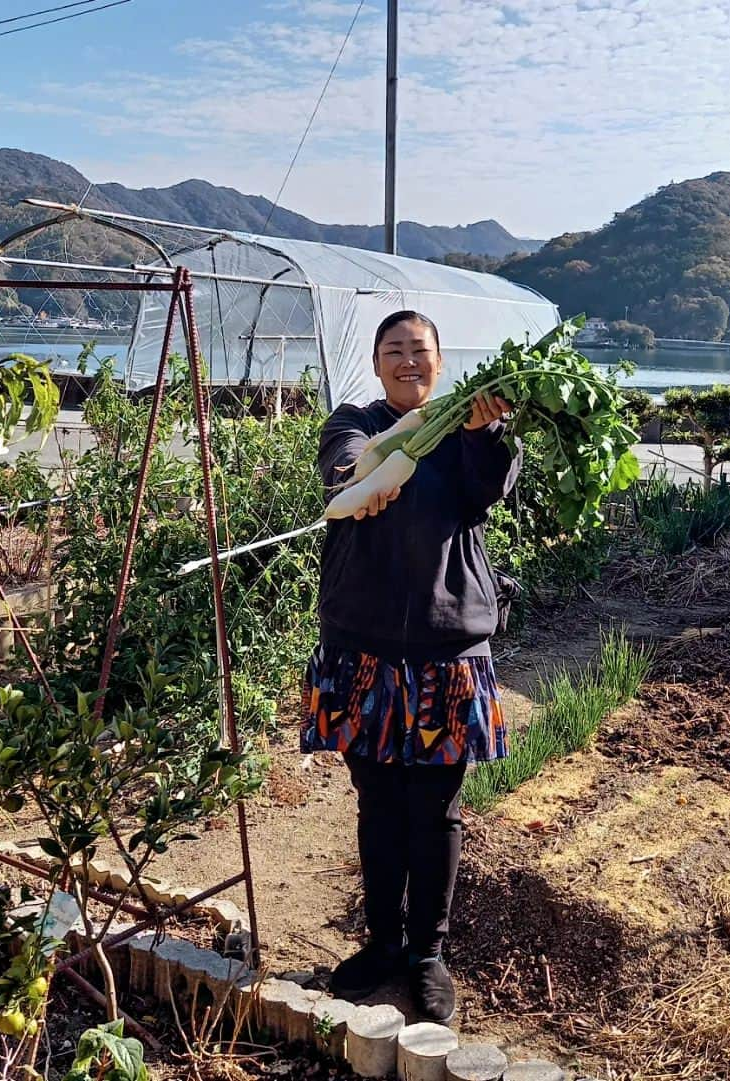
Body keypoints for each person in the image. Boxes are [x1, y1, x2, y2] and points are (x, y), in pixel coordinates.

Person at [300, 310, 519, 1023]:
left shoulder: (468, 427)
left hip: (445, 645)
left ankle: (428, 955)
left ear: (440, 361)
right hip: (361, 643)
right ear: (376, 360)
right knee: (377, 801)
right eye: (393, 350)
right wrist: (376, 466)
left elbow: (490, 487)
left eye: (418, 350)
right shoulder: (353, 420)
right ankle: (383, 945)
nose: (406, 360)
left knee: (434, 809)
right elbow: (346, 469)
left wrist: (483, 430)